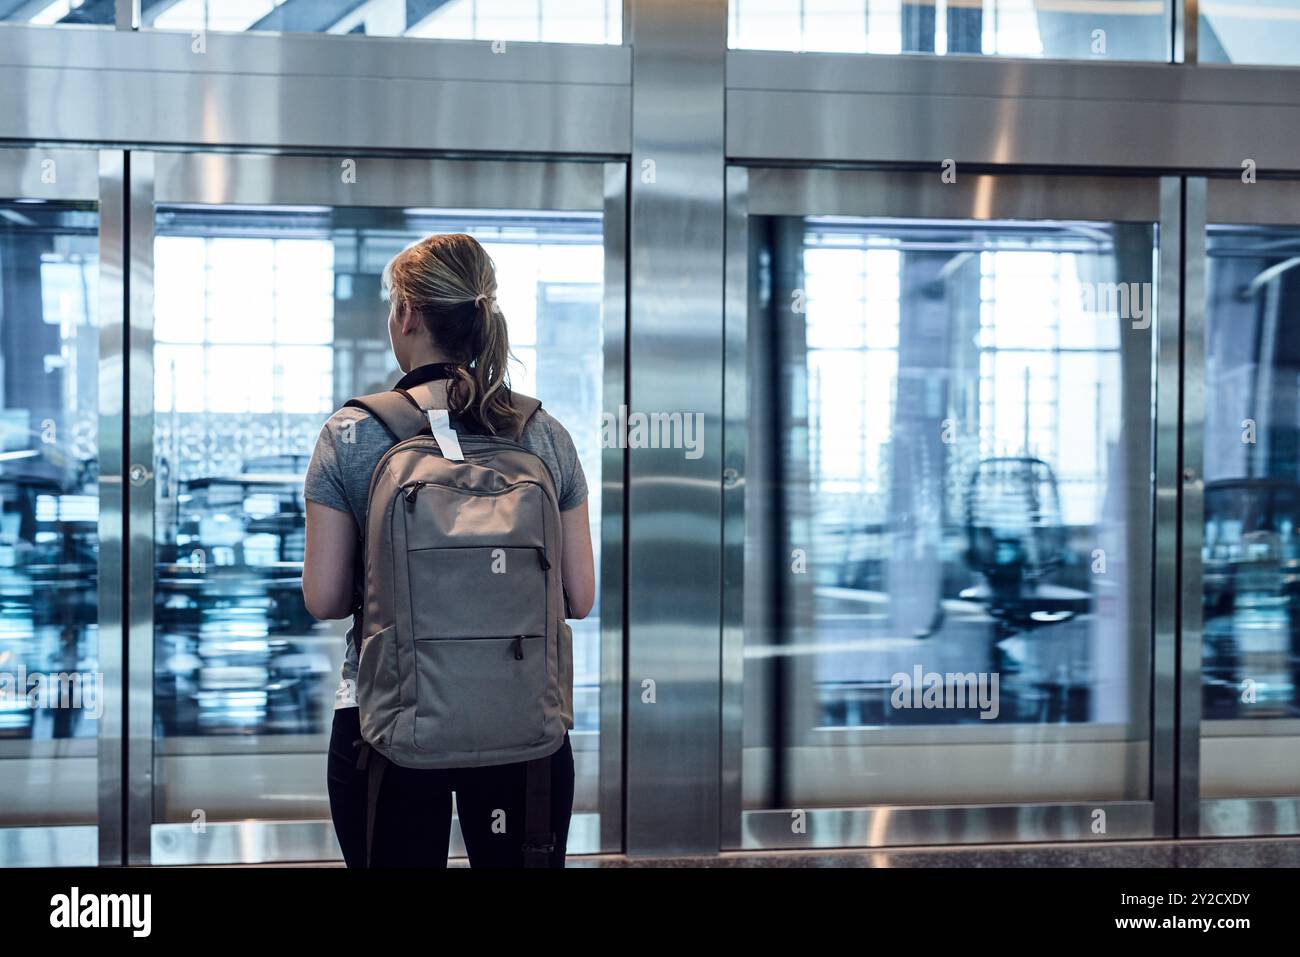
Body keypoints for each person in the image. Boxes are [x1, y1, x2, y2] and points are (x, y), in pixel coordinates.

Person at [300, 233, 596, 867]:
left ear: (407, 313)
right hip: (524, 729)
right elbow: (579, 596)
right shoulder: (544, 434)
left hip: (387, 726)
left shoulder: (352, 433)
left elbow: (324, 599)